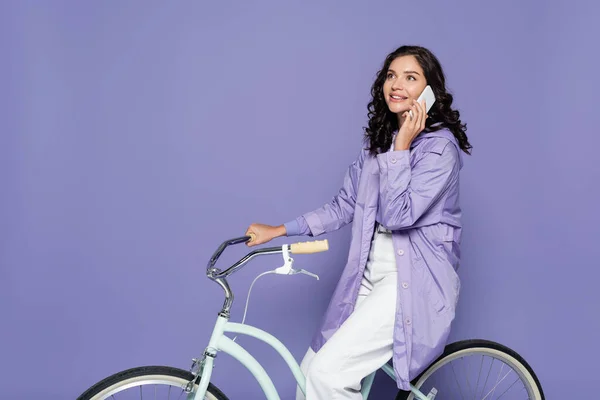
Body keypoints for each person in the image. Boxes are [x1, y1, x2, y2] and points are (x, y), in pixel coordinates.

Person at [244, 45, 472, 399]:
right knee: (310, 374)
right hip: (368, 275)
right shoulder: (377, 145)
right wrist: (280, 230)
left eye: (410, 78)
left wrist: (402, 146)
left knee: (327, 378)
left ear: (430, 92)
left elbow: (399, 216)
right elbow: (345, 204)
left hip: (410, 280)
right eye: (391, 75)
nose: (396, 85)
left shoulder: (439, 150)